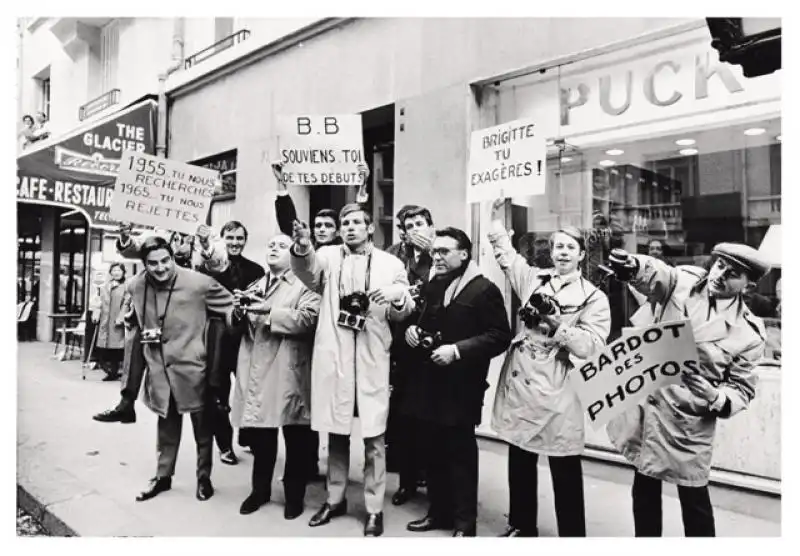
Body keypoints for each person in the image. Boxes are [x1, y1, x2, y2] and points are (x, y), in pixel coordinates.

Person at [606, 242, 769, 537]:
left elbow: (742, 389)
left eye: (733, 273)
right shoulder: (683, 281)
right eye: (719, 265)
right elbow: (656, 273)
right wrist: (633, 266)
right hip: (649, 406)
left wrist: (714, 395)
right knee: (644, 490)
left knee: (694, 500)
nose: (720, 275)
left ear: (749, 285)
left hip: (689, 421)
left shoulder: (749, 333)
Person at [487, 199, 611, 538]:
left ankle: (573, 536)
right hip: (524, 381)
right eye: (558, 247)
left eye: (571, 247)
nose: (563, 253)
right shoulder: (535, 281)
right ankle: (522, 525)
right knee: (520, 456)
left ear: (582, 254)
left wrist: (558, 326)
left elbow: (593, 347)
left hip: (559, 386)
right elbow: (507, 257)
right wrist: (497, 219)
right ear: (551, 251)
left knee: (564, 463)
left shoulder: (593, 297)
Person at [290, 203, 414, 537]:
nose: (350, 227)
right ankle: (335, 499)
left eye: (357, 222)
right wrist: (302, 247)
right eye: (345, 223)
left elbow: (404, 312)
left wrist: (396, 296)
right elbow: (306, 272)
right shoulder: (328, 256)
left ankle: (374, 509)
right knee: (337, 432)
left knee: (374, 437)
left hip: (373, 355)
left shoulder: (390, 263)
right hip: (336, 355)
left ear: (371, 228)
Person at [92, 236, 235, 503]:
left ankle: (204, 478)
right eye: (152, 263)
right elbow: (135, 321)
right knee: (165, 427)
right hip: (159, 370)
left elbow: (230, 308)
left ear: (172, 257)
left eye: (165, 261)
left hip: (194, 369)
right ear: (143, 264)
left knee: (203, 430)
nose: (160, 268)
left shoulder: (198, 283)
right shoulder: (135, 285)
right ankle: (162, 476)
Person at [403, 227, 512, 537]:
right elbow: (419, 319)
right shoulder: (433, 285)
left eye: (444, 251)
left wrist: (457, 351)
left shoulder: (484, 289)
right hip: (428, 383)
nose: (436, 256)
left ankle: (465, 524)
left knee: (460, 455)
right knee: (432, 451)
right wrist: (412, 330)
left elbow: (499, 336)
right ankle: (438, 513)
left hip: (461, 387)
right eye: (434, 251)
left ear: (464, 254)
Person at [230, 233, 321, 519]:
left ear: (294, 255)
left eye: (282, 246)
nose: (273, 248)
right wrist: (237, 311)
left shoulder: (305, 284)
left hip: (287, 369)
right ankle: (260, 491)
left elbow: (308, 319)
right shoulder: (255, 284)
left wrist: (270, 312)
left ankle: (294, 497)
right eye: (270, 244)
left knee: (295, 436)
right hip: (257, 370)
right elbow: (237, 329)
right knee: (261, 437)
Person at [198, 220, 266, 466]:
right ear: (222, 239)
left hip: (246, 336)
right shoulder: (211, 267)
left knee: (251, 388)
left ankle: (248, 437)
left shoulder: (256, 270)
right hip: (217, 336)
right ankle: (224, 445)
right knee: (217, 393)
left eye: (240, 238)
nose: (235, 243)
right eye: (230, 238)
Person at [385, 205, 436, 506]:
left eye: (421, 223)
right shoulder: (395, 254)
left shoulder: (441, 251)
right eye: (409, 224)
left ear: (431, 226)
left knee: (428, 415)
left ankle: (429, 475)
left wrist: (431, 251)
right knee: (403, 416)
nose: (415, 229)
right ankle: (406, 480)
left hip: (431, 340)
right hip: (400, 342)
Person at [90, 263, 130, 381]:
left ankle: (116, 372)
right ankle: (110, 371)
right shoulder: (106, 286)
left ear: (123, 272)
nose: (116, 272)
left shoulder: (126, 286)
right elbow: (99, 302)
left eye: (119, 270)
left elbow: (126, 303)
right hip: (105, 321)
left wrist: (121, 318)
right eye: (114, 270)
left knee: (117, 349)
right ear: (111, 272)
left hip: (117, 321)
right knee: (104, 348)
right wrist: (96, 313)